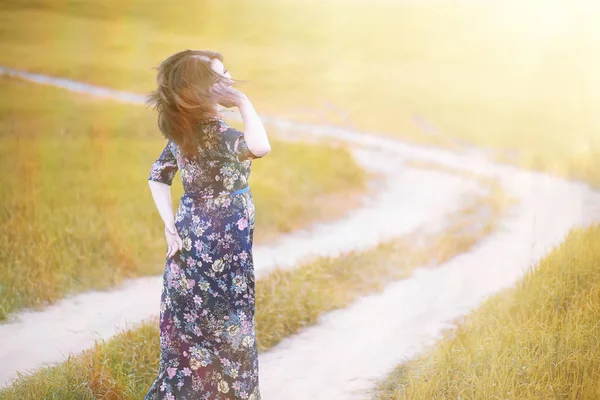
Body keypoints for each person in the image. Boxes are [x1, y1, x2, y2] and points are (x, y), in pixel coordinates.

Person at [144, 49, 270, 400]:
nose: (228, 81)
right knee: (230, 336)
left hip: (191, 237)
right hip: (221, 249)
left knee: (192, 335)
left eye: (227, 73)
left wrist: (170, 225)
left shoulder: (187, 131)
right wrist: (243, 101)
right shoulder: (217, 134)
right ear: (201, 90)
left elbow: (158, 177)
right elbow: (260, 147)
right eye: (219, 78)